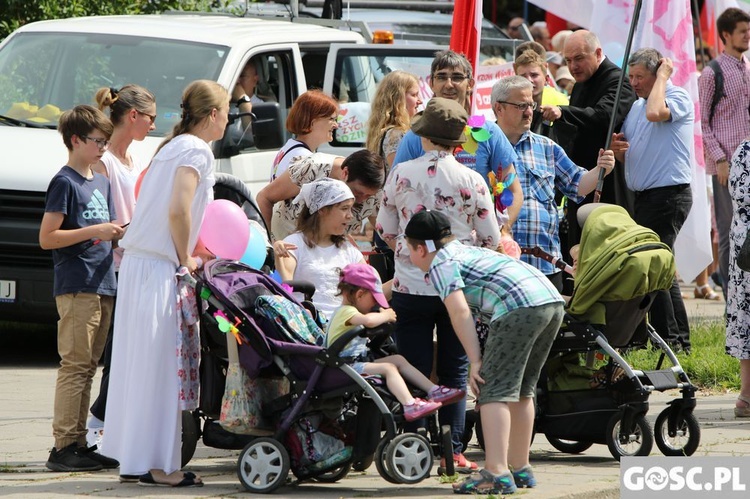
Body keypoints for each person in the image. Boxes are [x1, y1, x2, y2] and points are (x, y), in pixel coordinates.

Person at [101, 80, 230, 487]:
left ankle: (136, 458)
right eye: (226, 112)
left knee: (139, 366)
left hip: (141, 263)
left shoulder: (171, 147)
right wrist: (185, 257)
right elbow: (178, 210)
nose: (228, 119)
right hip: (158, 266)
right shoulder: (196, 149)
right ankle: (160, 465)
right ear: (213, 115)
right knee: (161, 369)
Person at [377, 97, 500, 473]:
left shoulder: (401, 173)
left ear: (424, 135)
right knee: (455, 369)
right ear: (457, 141)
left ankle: (414, 445)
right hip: (456, 287)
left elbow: (384, 229)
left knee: (412, 366)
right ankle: (455, 450)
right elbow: (491, 237)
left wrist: (407, 250)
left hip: (410, 285)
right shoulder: (472, 179)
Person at [403, 210, 564, 495]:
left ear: (419, 248)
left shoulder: (441, 263)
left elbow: (459, 311)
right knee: (522, 390)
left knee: (492, 390)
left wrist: (475, 360)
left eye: (407, 248)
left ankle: (496, 473)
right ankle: (520, 467)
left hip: (518, 306)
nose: (408, 256)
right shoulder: (463, 250)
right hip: (549, 301)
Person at [40, 105, 123, 472]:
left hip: (102, 282)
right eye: (97, 141)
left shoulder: (100, 180)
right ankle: (63, 446)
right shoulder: (65, 182)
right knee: (75, 366)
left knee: (89, 367)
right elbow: (48, 237)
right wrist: (96, 231)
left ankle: (79, 441)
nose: (103, 147)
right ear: (76, 140)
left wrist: (116, 232)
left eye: (106, 141)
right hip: (77, 285)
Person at [492, 76, 615, 291]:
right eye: (521, 105)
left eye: (531, 104)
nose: (529, 111)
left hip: (545, 264)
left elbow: (577, 184)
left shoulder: (547, 147)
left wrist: (600, 170)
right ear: (499, 108)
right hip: (499, 263)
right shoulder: (482, 147)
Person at [86, 84, 157, 446]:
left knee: (127, 351)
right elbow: (98, 216)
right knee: (114, 352)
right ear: (133, 116)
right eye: (151, 118)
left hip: (136, 263)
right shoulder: (105, 161)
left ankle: (107, 420)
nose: (153, 125)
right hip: (114, 267)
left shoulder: (136, 160)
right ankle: (97, 421)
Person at [610, 49, 693, 353]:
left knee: (655, 265)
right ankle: (675, 339)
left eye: (639, 76)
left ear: (657, 73)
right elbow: (629, 147)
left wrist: (663, 77)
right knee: (660, 267)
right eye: (630, 76)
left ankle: (672, 339)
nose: (633, 82)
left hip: (668, 194)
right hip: (644, 196)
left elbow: (656, 114)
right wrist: (619, 149)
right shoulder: (637, 106)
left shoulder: (676, 96)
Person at [392, 50, 523, 225]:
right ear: (431, 83)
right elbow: (394, 193)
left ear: (470, 84)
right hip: (428, 242)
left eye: (457, 77)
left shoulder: (489, 132)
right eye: (441, 77)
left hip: (476, 242)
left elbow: (514, 191)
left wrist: (502, 233)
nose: (449, 84)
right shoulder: (415, 136)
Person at [327, 263, 465, 420]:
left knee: (398, 359)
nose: (375, 304)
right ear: (359, 294)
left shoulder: (351, 310)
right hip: (345, 366)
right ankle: (409, 404)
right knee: (389, 368)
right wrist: (385, 316)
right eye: (373, 299)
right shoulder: (346, 311)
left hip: (356, 362)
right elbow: (368, 321)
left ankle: (434, 390)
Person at [542, 30, 636, 252]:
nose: (573, 66)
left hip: (610, 182)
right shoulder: (582, 81)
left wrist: (563, 112)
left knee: (606, 250)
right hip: (582, 181)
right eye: (568, 60)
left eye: (579, 58)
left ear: (598, 53)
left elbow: (604, 117)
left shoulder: (618, 80)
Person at [698, 7, 750, 299]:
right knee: (729, 230)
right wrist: (718, 159)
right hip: (726, 164)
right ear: (726, 35)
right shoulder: (712, 72)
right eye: (743, 31)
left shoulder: (747, 67)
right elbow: (703, 123)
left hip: (749, 161)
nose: (748, 35)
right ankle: (733, 296)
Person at [273, 178, 367, 321]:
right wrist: (279, 260)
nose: (350, 215)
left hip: (345, 329)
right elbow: (286, 290)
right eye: (344, 208)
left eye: (350, 208)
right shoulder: (294, 244)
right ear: (322, 209)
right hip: (310, 329)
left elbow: (372, 288)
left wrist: (400, 281)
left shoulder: (348, 249)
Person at [257, 149, 385, 241]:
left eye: (368, 196)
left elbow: (385, 231)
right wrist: (270, 244)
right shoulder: (314, 168)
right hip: (285, 245)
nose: (362, 200)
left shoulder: (375, 192)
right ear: (345, 173)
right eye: (357, 193)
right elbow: (264, 197)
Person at [726, 138, 750, 417]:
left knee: (746, 317)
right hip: (747, 249)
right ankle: (745, 395)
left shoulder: (744, 149)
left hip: (744, 245)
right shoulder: (745, 149)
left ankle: (746, 396)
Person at [269, 89, 339, 182]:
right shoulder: (303, 158)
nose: (336, 125)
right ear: (312, 122)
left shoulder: (290, 149)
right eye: (331, 119)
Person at [365, 70, 422, 170]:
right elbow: (401, 174)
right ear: (398, 99)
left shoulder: (388, 131)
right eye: (414, 95)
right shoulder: (395, 134)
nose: (420, 101)